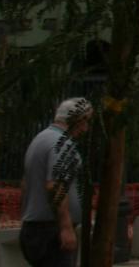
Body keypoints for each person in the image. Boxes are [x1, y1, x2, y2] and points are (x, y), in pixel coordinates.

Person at [20, 97, 90, 267]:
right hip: (51, 231)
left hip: (35, 228)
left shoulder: (41, 138)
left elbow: (24, 183)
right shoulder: (62, 144)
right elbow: (56, 185)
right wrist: (66, 227)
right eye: (85, 121)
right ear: (76, 120)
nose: (86, 128)